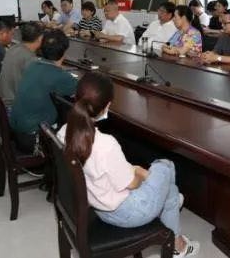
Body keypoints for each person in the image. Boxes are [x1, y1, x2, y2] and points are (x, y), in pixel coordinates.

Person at [57, 72, 199, 257]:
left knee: (170, 190)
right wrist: (138, 171)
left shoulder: (63, 132)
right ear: (107, 106)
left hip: (98, 204)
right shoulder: (106, 145)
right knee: (166, 165)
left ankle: (176, 235)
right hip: (126, 212)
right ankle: (168, 205)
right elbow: (132, 183)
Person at [11, 30, 78, 153]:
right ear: (64, 52)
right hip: (34, 138)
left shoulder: (33, 65)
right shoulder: (60, 76)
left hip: (16, 131)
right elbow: (82, 91)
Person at [0, 22, 44, 108]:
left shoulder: (13, 48)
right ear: (40, 38)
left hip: (0, 102)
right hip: (12, 106)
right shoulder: (30, 58)